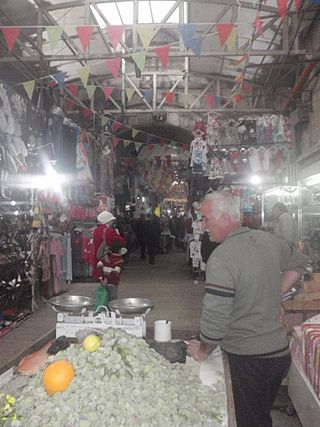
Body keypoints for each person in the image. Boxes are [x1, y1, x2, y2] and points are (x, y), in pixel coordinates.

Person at [187, 191, 309, 427]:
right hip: (279, 354)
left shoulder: (222, 258)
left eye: (205, 219)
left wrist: (203, 350)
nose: (202, 226)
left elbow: (214, 322)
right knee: (260, 416)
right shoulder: (268, 240)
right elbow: (299, 262)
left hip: (248, 360)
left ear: (224, 219)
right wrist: (276, 296)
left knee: (249, 420)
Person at [92, 211, 126, 281]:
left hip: (98, 255)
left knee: (100, 274)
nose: (112, 222)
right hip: (108, 257)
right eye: (111, 220)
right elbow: (122, 242)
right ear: (108, 220)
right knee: (108, 278)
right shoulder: (110, 230)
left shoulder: (96, 230)